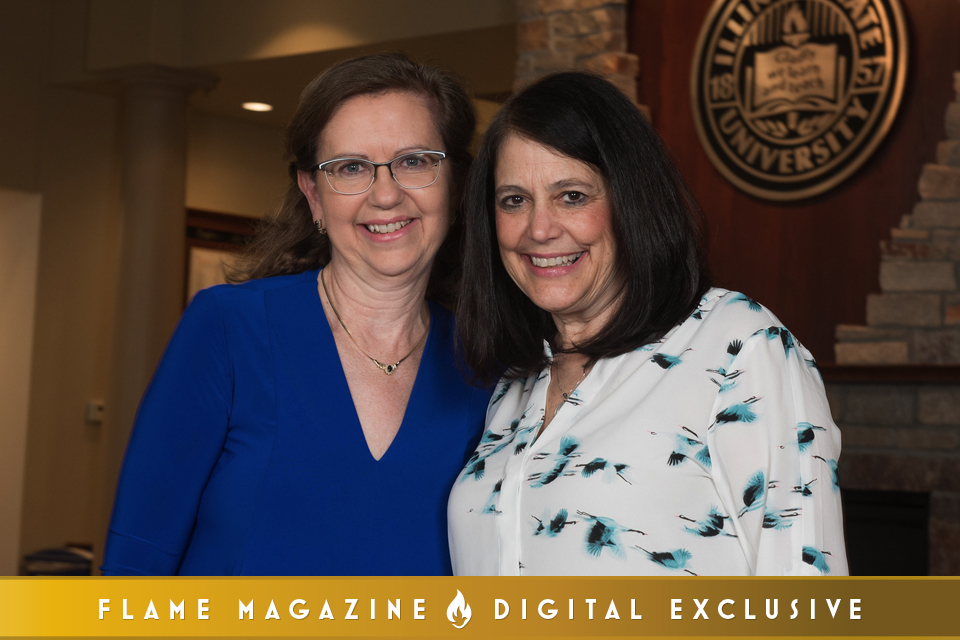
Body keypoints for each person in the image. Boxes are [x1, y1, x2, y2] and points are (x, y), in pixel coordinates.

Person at [102, 53, 489, 576]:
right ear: (313, 195)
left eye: (414, 161)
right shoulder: (227, 329)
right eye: (350, 167)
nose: (386, 193)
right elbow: (139, 554)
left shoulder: (486, 363)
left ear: (457, 184)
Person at [448, 72, 848, 577]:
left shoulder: (739, 347)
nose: (540, 229)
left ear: (630, 200)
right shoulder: (514, 386)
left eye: (572, 195)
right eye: (514, 200)